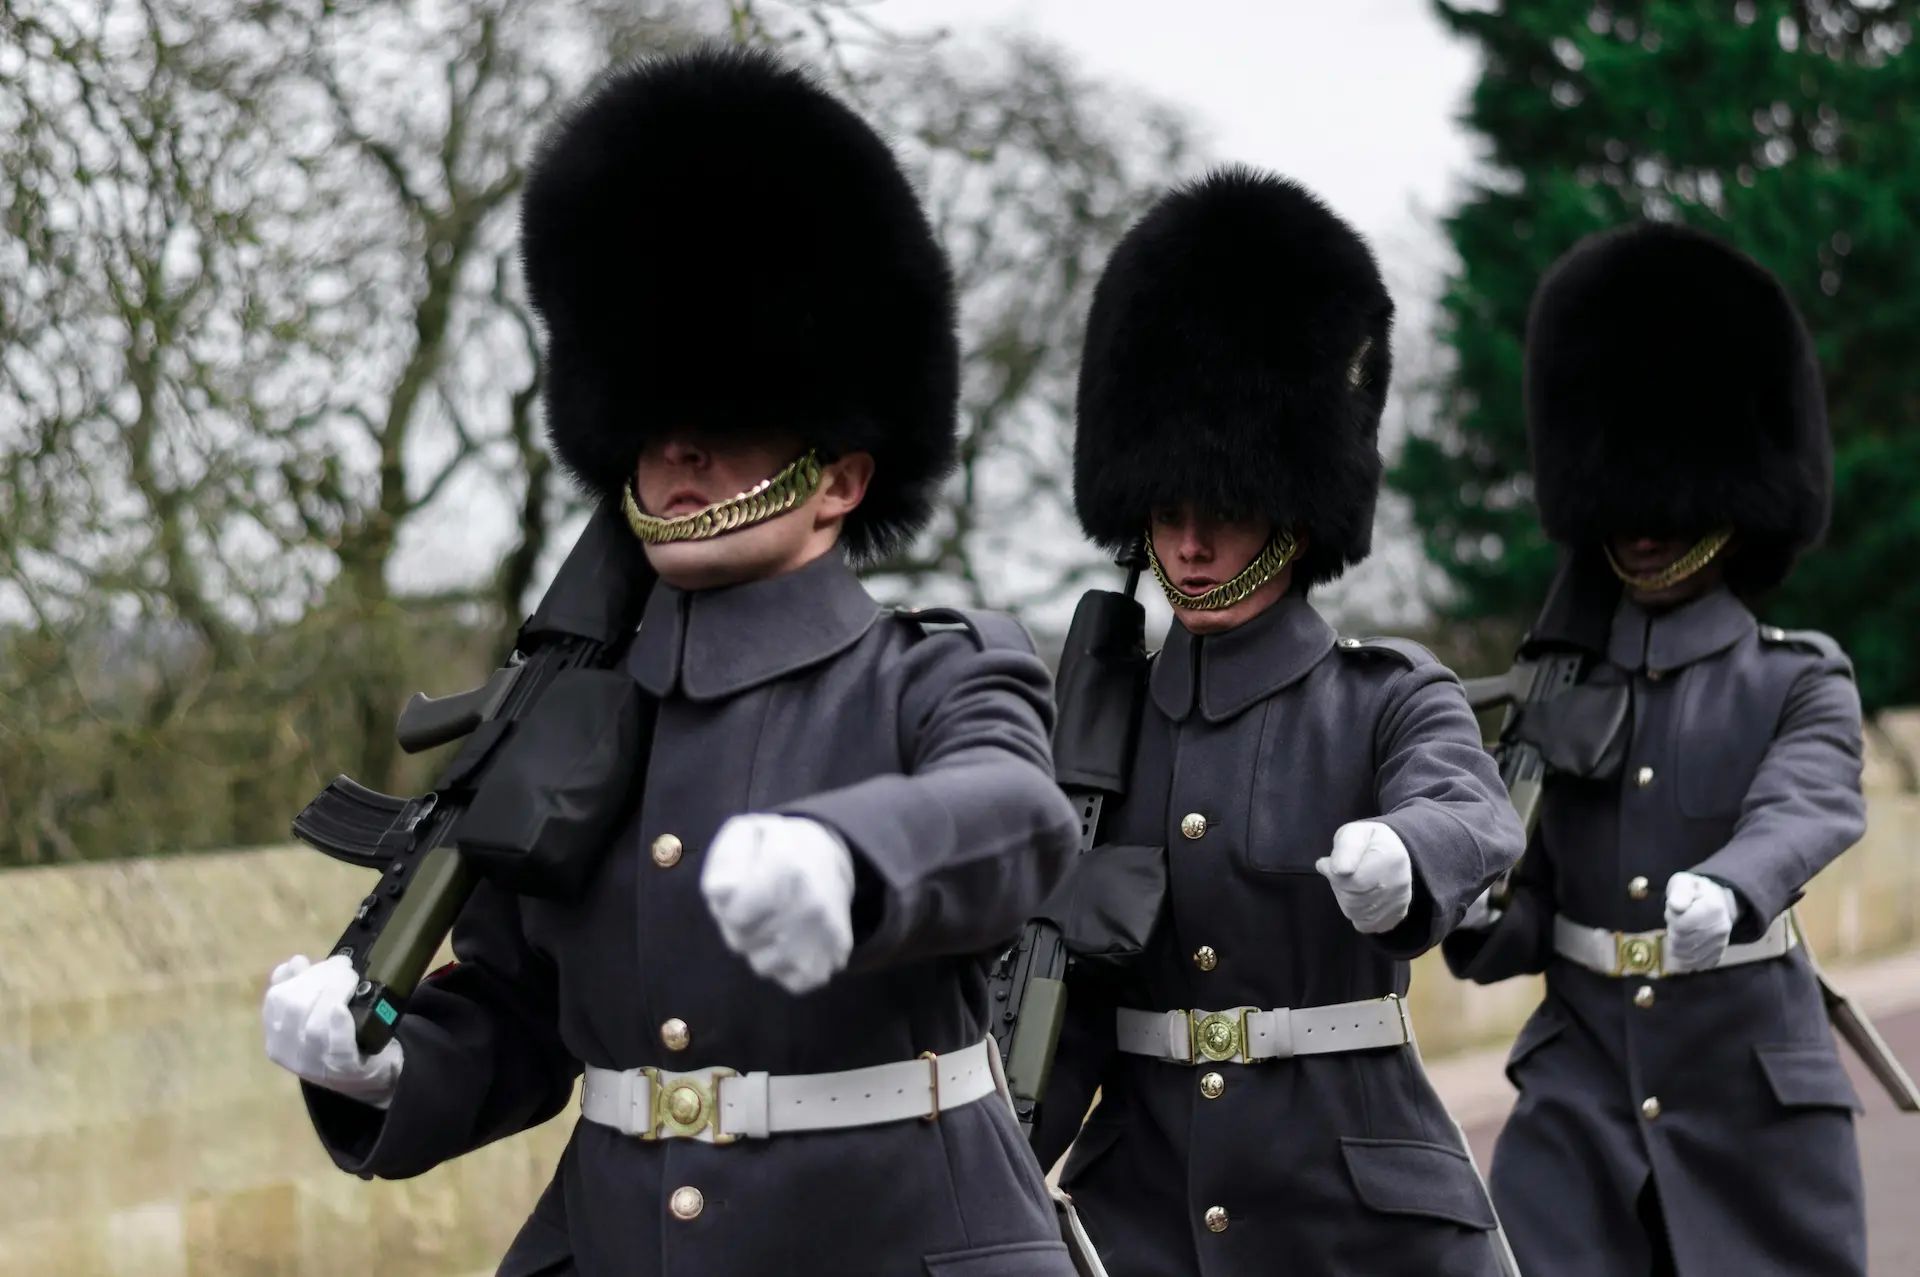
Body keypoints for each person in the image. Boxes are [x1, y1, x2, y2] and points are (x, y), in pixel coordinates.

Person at [260, 47, 1084, 1277]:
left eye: (734, 420)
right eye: (657, 417)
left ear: (842, 477)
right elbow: (522, 1014)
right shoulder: (574, 709)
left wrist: (858, 860)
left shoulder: (936, 671)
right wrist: (382, 1060)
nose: (683, 443)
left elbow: (1016, 820)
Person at [1031, 167, 1525, 1277]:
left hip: (1356, 1210)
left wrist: (1408, 852)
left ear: (1294, 518)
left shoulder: (1385, 693)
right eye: (1168, 514)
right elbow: (1056, 1008)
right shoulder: (1096, 738)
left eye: (1225, 511)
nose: (1192, 547)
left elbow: (1471, 806)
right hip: (1145, 1206)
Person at [1444, 221, 1867, 1276]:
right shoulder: (1559, 682)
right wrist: (1464, 902)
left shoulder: (1795, 675)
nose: (1639, 521)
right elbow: (1528, 907)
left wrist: (1730, 886)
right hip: (1581, 1098)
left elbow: (1810, 802)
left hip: (1748, 1098)